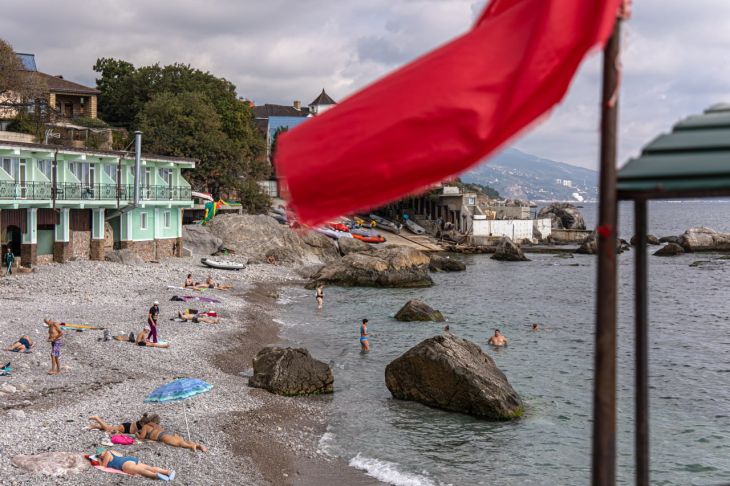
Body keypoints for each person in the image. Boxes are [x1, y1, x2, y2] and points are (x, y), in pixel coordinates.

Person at [95, 448, 175, 481]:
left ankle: (155, 475)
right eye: (99, 456)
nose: (100, 456)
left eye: (100, 454)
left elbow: (103, 466)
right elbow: (120, 456)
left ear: (104, 451)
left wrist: (99, 460)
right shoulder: (112, 451)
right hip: (130, 459)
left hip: (125, 465)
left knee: (141, 471)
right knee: (150, 468)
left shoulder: (107, 454)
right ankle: (167, 472)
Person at [136, 418, 208, 452]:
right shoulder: (153, 424)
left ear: (142, 423)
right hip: (167, 433)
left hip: (162, 436)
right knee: (182, 441)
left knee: (179, 443)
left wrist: (136, 434)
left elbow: (141, 438)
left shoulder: (145, 426)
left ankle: (191, 446)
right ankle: (198, 445)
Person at [88, 413, 159, 435]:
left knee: (110, 428)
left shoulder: (144, 421)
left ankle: (95, 426)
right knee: (108, 429)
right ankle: (97, 418)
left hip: (127, 426)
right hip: (125, 428)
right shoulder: (144, 424)